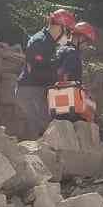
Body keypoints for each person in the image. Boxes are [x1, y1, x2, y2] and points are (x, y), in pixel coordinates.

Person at [14, 8, 78, 137]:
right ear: (61, 27)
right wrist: (57, 76)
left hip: (38, 90)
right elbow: (34, 70)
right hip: (30, 91)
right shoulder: (40, 41)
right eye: (68, 31)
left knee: (47, 128)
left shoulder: (50, 43)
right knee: (41, 130)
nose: (68, 36)